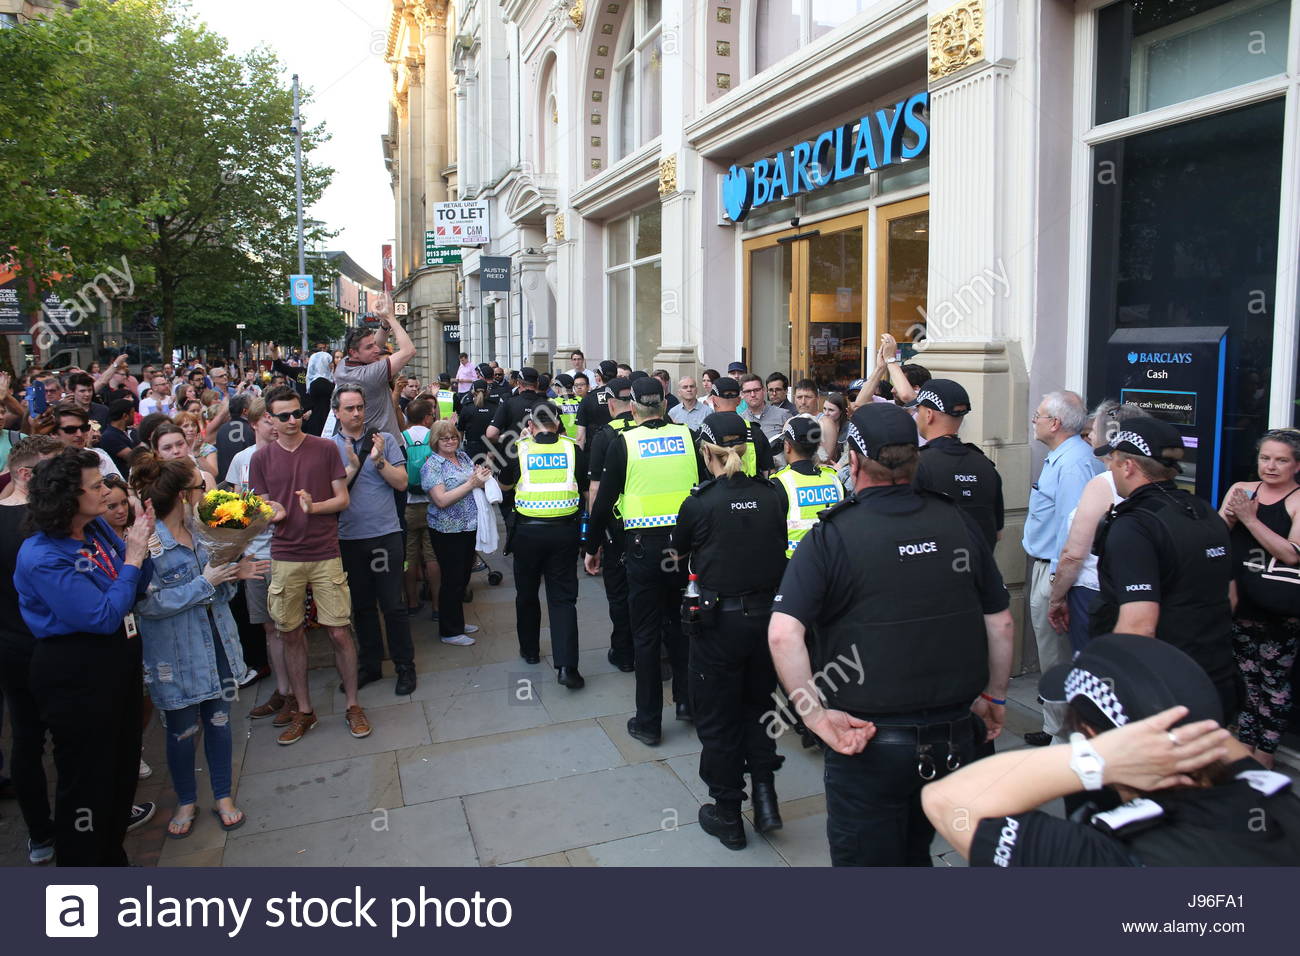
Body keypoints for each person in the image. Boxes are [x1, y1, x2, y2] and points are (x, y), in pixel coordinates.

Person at [768, 403, 1015, 866]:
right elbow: (999, 620)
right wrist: (995, 696)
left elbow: (783, 635)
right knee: (917, 852)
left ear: (854, 461)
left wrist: (815, 717)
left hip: (868, 742)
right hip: (953, 735)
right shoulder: (956, 520)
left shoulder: (832, 535)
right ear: (915, 460)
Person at [925, 634, 1300, 866]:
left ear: (1094, 735)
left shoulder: (1113, 854)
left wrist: (1095, 760)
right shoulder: (1277, 803)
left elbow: (949, 802)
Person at [14, 447, 157, 865]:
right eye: (95, 486)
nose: (105, 492)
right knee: (87, 783)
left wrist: (141, 547)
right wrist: (132, 558)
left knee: (121, 771)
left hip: (118, 662)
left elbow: (134, 586)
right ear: (67, 496)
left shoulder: (94, 530)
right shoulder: (42, 555)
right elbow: (101, 615)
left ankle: (112, 858)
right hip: (77, 672)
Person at [672, 412, 789, 849]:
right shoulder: (772, 494)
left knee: (719, 718)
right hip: (766, 619)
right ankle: (765, 797)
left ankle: (728, 815)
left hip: (719, 623)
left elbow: (679, 550)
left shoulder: (700, 503)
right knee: (759, 708)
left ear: (707, 453)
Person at [130, 453, 262, 837]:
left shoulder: (204, 531)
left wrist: (234, 574)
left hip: (216, 642)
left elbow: (218, 593)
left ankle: (223, 796)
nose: (206, 492)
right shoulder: (148, 542)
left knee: (220, 722)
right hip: (175, 653)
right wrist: (206, 582)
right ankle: (186, 800)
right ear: (183, 494)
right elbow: (148, 604)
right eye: (201, 487)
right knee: (181, 730)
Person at [1090, 414, 1239, 721]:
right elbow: (1231, 597)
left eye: (1113, 461)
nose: (1110, 468)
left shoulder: (1135, 526)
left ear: (1128, 466)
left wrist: (1108, 691)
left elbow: (1139, 624)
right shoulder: (1205, 513)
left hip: (1163, 695)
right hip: (1215, 679)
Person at [586, 377, 708, 745]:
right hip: (683, 550)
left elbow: (603, 502)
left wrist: (592, 546)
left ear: (634, 408)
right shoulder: (689, 436)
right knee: (683, 626)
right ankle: (687, 703)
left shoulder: (624, 442)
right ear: (665, 404)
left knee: (646, 635)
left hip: (644, 550)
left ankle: (649, 722)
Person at [247, 385, 372, 745]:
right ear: (269, 418)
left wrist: (313, 507)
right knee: (290, 634)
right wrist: (272, 512)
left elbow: (342, 498)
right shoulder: (261, 459)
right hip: (284, 555)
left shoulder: (324, 448)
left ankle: (352, 705)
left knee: (339, 631)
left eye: (296, 413)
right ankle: (304, 710)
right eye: (283, 415)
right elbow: (262, 506)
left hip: (325, 551)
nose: (292, 420)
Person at [1022, 389, 1102, 746]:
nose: (1034, 421)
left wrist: (1058, 586)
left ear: (1054, 423)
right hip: (1048, 567)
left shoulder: (1074, 464)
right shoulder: (1062, 457)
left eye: (1038, 415)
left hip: (1056, 572)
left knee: (1057, 657)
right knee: (1051, 653)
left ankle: (1063, 736)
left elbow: (1074, 532)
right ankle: (1056, 726)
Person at [1219, 428, 1300, 768]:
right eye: (1265, 458)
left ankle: (1264, 759)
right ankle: (1244, 750)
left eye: (1281, 460)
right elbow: (1217, 536)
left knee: (1273, 684)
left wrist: (1250, 519)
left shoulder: (1296, 499)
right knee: (1246, 681)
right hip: (1241, 602)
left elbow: (1292, 554)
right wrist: (1229, 516)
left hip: (1279, 610)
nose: (1271, 466)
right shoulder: (1242, 490)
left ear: (1296, 465)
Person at [331, 385, 417, 696]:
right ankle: (370, 664)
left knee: (393, 604)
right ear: (337, 412)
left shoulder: (385, 440)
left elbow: (403, 483)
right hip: (349, 538)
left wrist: (380, 461)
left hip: (385, 534)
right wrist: (351, 467)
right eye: (349, 408)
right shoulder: (329, 447)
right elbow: (330, 492)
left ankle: (404, 666)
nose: (357, 413)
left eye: (360, 407)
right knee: (362, 605)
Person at [0, 436, 62, 864]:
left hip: (12, 649)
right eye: (52, 469)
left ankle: (41, 834)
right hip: (50, 646)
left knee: (26, 741)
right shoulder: (44, 521)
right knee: (70, 739)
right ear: (25, 474)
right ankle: (83, 823)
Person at [499, 402, 587, 687]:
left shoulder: (518, 449)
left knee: (526, 592)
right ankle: (567, 667)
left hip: (527, 533)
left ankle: (530, 651)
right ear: (558, 424)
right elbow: (584, 487)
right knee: (563, 599)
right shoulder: (573, 449)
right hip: (564, 533)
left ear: (530, 425)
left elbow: (504, 486)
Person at [224, 399, 293, 722]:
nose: (274, 424)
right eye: (268, 420)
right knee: (269, 627)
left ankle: (296, 694)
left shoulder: (289, 453)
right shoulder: (241, 459)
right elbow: (236, 508)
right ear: (253, 424)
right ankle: (282, 690)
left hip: (285, 551)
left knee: (290, 626)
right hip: (255, 555)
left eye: (276, 418)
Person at [1047, 400, 1130, 651]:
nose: (1089, 435)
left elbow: (1074, 555)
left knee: (1093, 663)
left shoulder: (1103, 484)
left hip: (1093, 593)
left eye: (1094, 429)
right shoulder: (1138, 480)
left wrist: (1056, 597)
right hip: (1127, 591)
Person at [422, 420, 491, 646]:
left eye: (453, 437)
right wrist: (472, 483)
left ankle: (457, 622)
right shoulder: (432, 466)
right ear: (435, 441)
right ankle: (450, 631)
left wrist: (481, 476)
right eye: (445, 438)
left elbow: (476, 482)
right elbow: (441, 500)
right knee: (451, 579)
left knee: (462, 577)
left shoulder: (462, 457)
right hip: (447, 529)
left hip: (468, 526)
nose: (450, 441)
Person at [913, 380, 1003, 550]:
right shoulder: (986, 465)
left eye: (918, 410)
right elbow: (997, 533)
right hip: (978, 564)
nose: (917, 416)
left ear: (929, 414)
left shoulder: (916, 464)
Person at [585, 378, 637, 672]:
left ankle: (624, 652)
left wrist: (592, 541)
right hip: (659, 527)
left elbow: (595, 490)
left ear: (611, 404)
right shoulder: (661, 429)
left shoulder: (606, 435)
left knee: (619, 592)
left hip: (618, 527)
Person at [771, 415, 844, 558]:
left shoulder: (780, 483)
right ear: (817, 446)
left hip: (794, 562)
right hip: (833, 559)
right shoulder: (834, 480)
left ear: (788, 446)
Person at [333, 319, 416, 441]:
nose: (377, 349)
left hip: (363, 441)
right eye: (370, 347)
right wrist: (391, 318)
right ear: (353, 352)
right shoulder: (368, 375)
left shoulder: (343, 365)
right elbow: (409, 351)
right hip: (385, 443)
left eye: (374, 344)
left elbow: (371, 346)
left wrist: (385, 325)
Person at [401, 399, 441, 617]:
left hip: (408, 505)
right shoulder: (433, 437)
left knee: (409, 557)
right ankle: (436, 606)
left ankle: (412, 602)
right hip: (432, 503)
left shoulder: (402, 438)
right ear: (427, 418)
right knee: (432, 556)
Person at [709, 377, 775, 476]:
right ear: (739, 401)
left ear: (713, 401)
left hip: (718, 486)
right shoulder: (755, 431)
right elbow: (769, 474)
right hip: (751, 485)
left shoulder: (707, 431)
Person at [46, 402, 121, 478]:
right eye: (71, 429)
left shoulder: (101, 460)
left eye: (84, 428)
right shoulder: (46, 463)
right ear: (54, 433)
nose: (79, 434)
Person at [151, 422, 216, 492]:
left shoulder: (205, 478)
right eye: (167, 448)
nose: (176, 451)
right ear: (157, 452)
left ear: (187, 444)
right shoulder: (153, 485)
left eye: (180, 444)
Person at [739, 373, 792, 443]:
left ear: (764, 390)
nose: (753, 395)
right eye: (748, 391)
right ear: (742, 394)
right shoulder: (740, 421)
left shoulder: (783, 415)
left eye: (756, 390)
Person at [575, 359, 618, 446]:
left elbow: (580, 436)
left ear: (599, 377)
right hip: (618, 445)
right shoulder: (621, 396)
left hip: (594, 446)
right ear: (616, 376)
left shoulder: (588, 398)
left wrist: (579, 453)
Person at [214, 393, 256, 479]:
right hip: (243, 481)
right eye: (254, 406)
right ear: (245, 411)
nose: (257, 409)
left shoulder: (222, 428)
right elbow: (247, 460)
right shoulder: (250, 430)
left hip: (225, 481)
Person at [457, 380, 495, 464]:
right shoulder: (495, 407)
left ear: (473, 391)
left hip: (471, 448)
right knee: (488, 472)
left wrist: (459, 448)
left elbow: (460, 430)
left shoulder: (467, 408)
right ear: (487, 392)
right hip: (490, 448)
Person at [98, 399, 138, 478]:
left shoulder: (130, 431)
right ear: (125, 416)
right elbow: (134, 457)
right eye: (133, 413)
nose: (135, 415)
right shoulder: (109, 436)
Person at [174, 410, 218, 479]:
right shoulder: (175, 450)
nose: (191, 429)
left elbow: (213, 474)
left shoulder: (207, 448)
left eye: (193, 425)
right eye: (185, 426)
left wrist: (196, 453)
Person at [304, 343, 335, 438]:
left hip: (318, 418)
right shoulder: (320, 382)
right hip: (322, 420)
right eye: (329, 362)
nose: (332, 365)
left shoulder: (315, 380)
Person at [817, 392, 851, 470]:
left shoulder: (849, 428)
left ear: (841, 411)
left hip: (841, 471)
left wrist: (840, 465)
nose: (826, 413)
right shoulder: (819, 422)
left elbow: (850, 452)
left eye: (831, 410)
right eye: (824, 409)